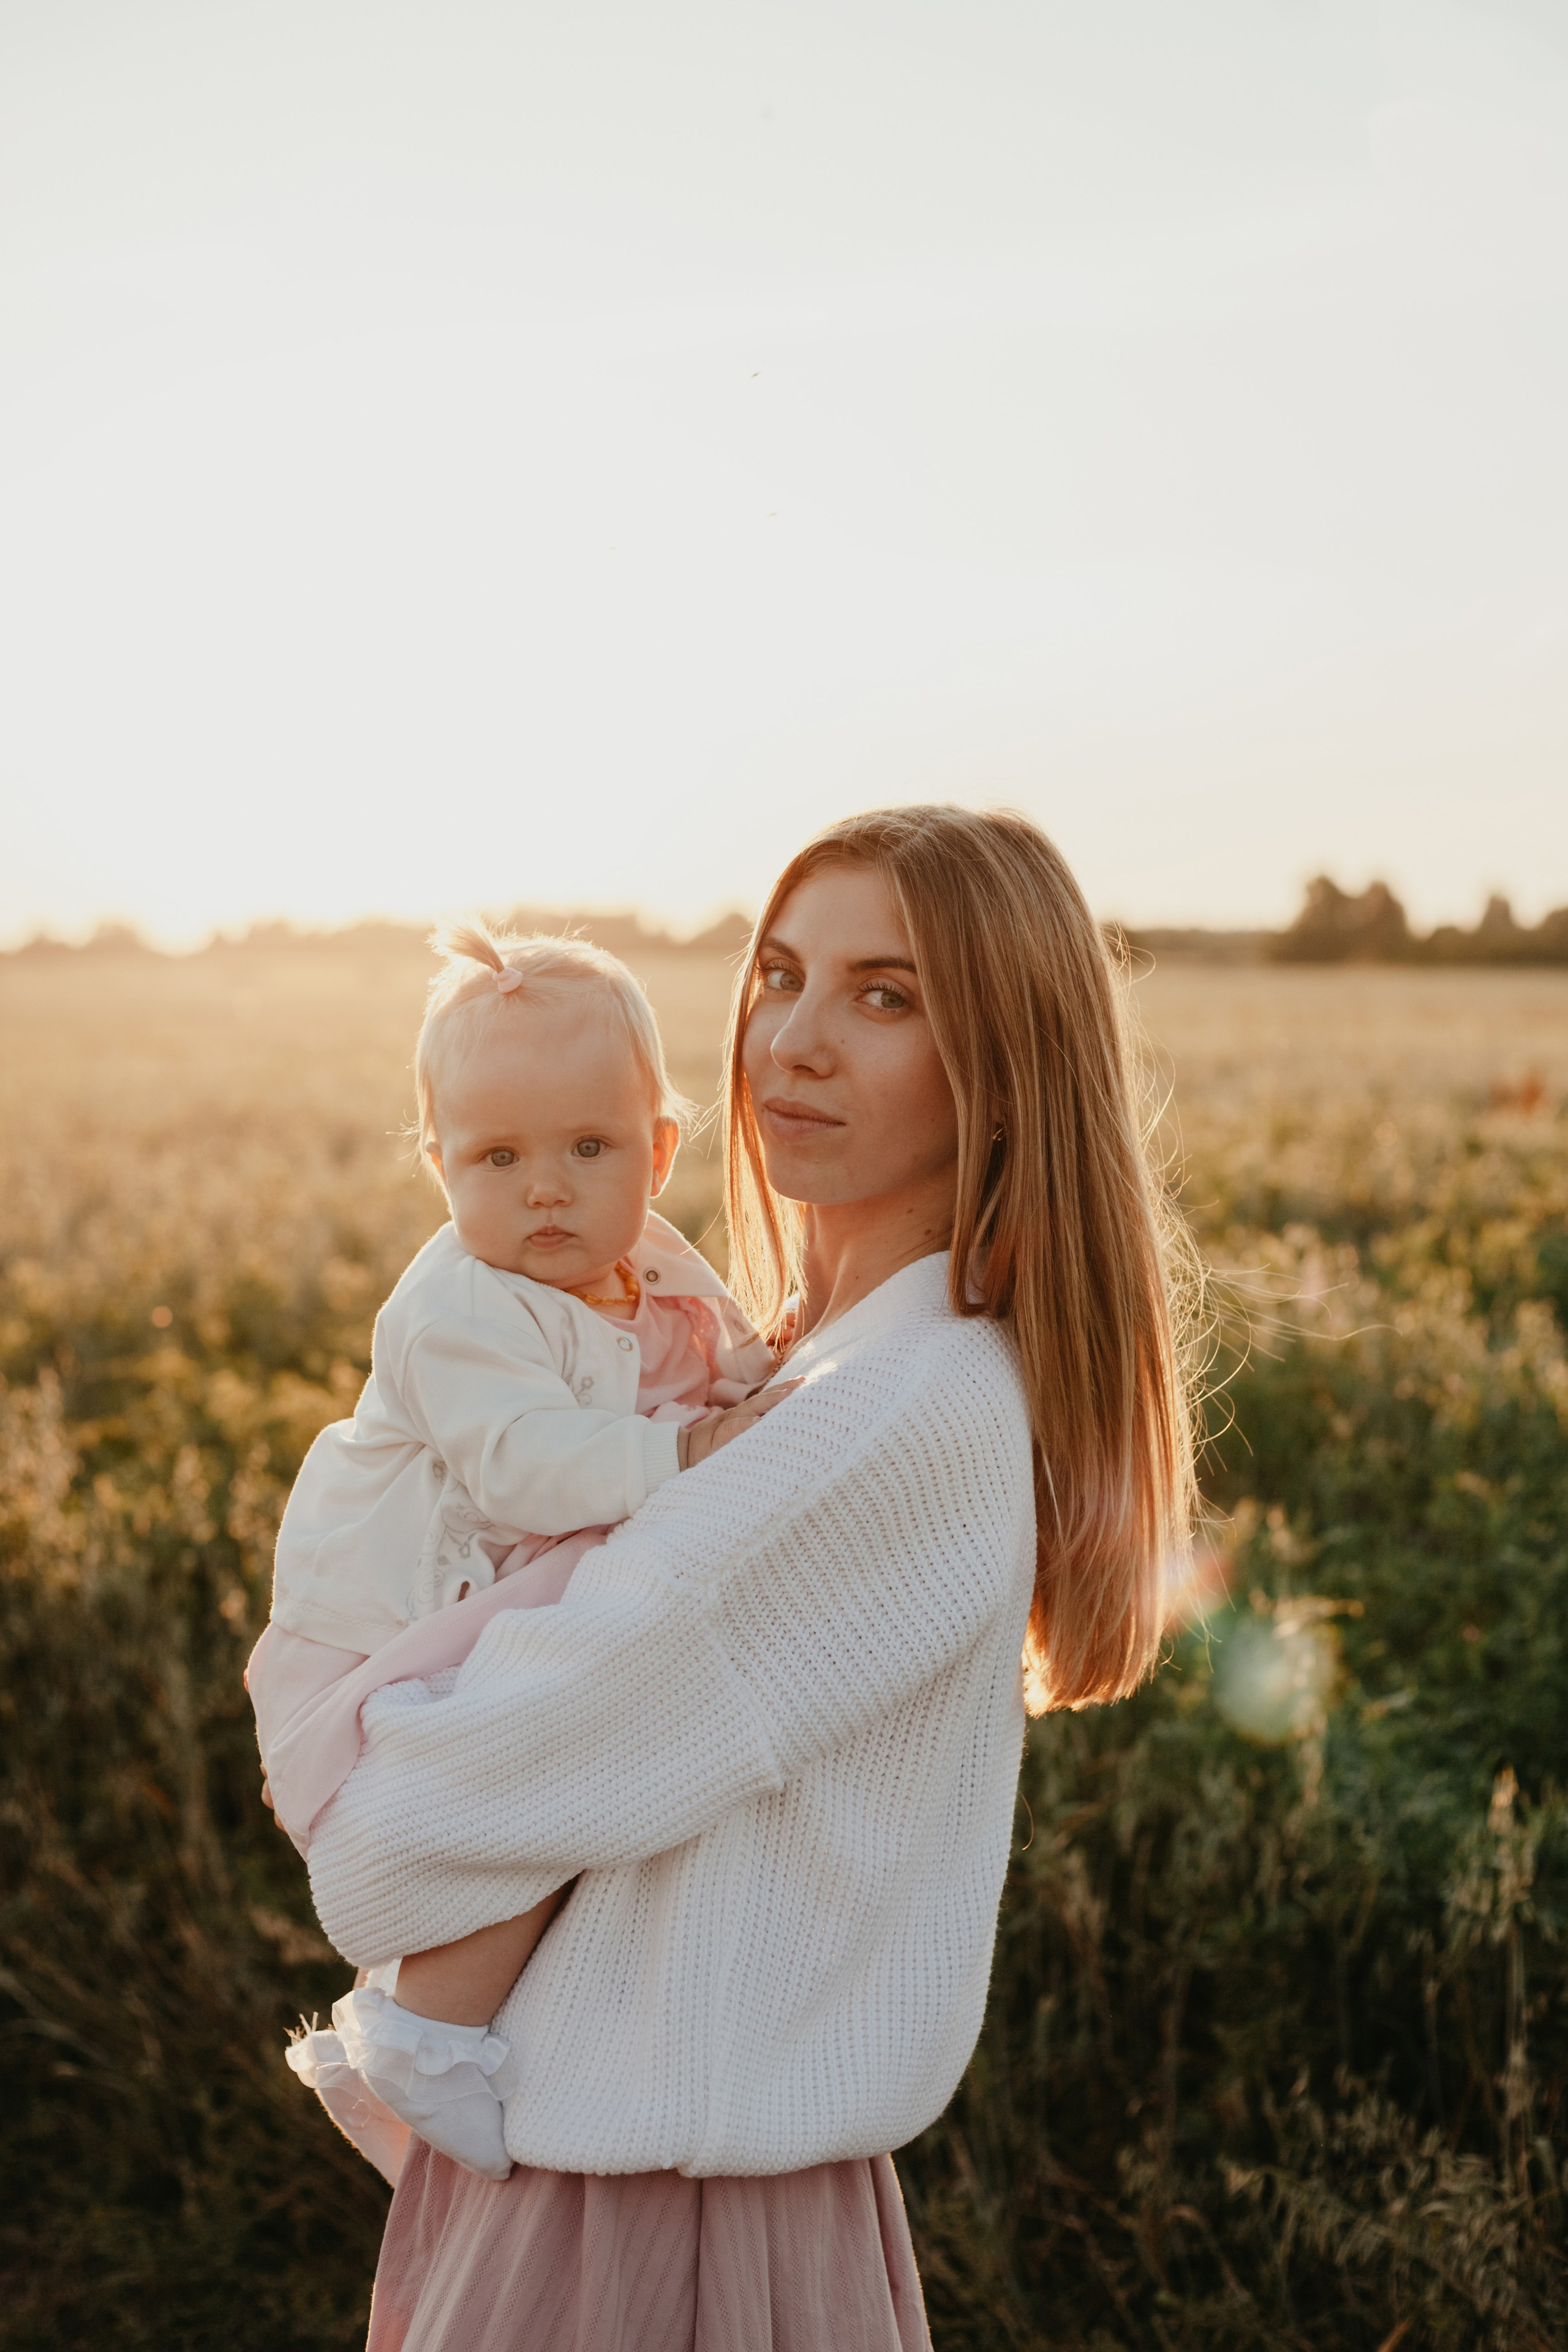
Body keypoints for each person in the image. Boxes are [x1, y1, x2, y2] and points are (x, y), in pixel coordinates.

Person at [297, 805, 1198, 2352]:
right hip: (604, 2178)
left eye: (883, 995)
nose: (791, 1038)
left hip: (664, 2233)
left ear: (1004, 1057)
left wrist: (375, 1731)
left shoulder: (887, 1414)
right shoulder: (791, 1369)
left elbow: (383, 1858)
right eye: (779, 973)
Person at [247, 925, 788, 2179]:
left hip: (507, 1576)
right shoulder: (454, 1307)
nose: (544, 1188)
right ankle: (417, 2029)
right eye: (497, 1156)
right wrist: (692, 1453)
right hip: (389, 1617)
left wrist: (761, 1376)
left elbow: (714, 1353)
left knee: (568, 1768)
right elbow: (525, 1464)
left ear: (656, 1152)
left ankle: (444, 2018)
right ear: (437, 1167)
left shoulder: (642, 1259)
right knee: (529, 1780)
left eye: (587, 1148)